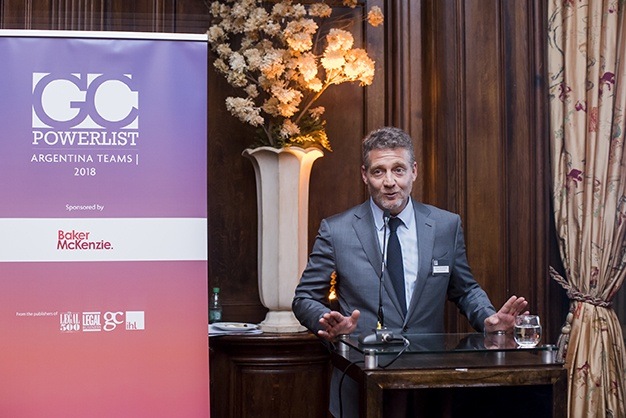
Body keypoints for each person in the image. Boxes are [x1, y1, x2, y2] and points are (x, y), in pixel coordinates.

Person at [292, 126, 528, 418]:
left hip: (430, 385)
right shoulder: (337, 230)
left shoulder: (445, 225)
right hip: (362, 381)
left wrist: (488, 319)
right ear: (364, 175)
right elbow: (304, 298)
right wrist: (328, 323)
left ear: (413, 171)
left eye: (398, 170)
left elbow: (465, 289)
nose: (389, 182)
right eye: (378, 172)